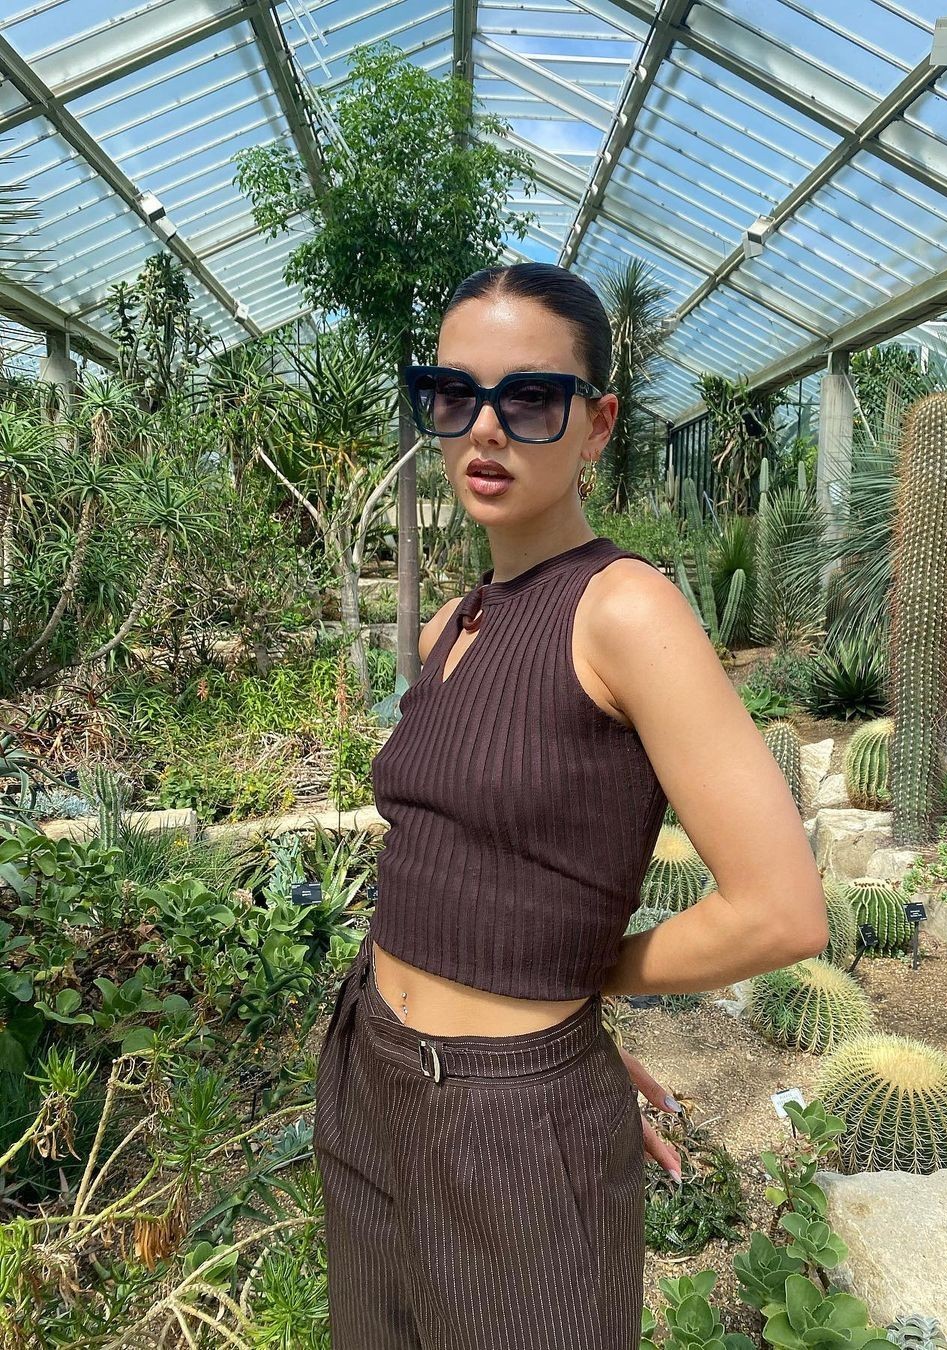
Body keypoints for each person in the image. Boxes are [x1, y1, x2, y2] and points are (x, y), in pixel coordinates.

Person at [313, 262, 828, 1349]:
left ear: (596, 425)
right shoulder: (452, 625)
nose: (484, 428)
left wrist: (568, 1004)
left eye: (531, 398)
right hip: (370, 1066)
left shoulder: (625, 612)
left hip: (512, 1117)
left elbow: (780, 909)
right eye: (454, 394)